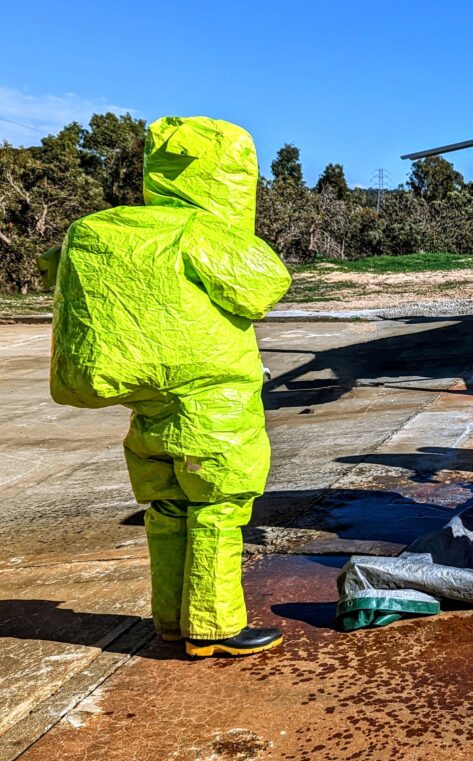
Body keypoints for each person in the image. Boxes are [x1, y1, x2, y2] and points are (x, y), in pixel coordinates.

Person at [47, 116, 292, 657]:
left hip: (145, 402)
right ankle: (215, 626)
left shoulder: (102, 230)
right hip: (211, 400)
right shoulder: (200, 234)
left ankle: (170, 621)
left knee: (168, 509)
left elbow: (54, 274)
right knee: (220, 508)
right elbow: (263, 286)